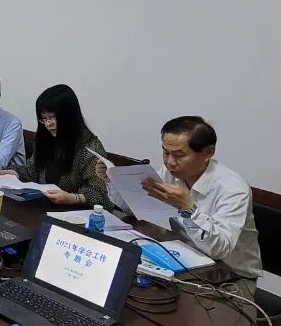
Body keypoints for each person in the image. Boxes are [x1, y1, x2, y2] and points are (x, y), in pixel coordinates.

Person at [96, 116, 261, 281]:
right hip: (180, 256)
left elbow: (219, 250)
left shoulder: (233, 190)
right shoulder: (170, 173)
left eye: (179, 155)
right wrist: (112, 180)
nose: (169, 162)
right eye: (165, 152)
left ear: (208, 153)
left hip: (230, 274)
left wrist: (188, 209)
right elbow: (140, 209)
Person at [0, 84, 110, 207]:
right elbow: (32, 170)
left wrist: (72, 198)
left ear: (69, 116)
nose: (48, 124)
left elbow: (100, 194)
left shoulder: (90, 148)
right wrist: (11, 172)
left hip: (74, 212)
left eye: (53, 117)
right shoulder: (47, 138)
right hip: (43, 205)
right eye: (44, 118)